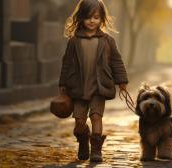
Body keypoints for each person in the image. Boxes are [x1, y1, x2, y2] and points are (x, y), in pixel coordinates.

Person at [58, 0, 129, 162]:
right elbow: (66, 63)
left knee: (97, 117)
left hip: (99, 87)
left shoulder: (107, 41)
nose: (92, 21)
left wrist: (122, 81)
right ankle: (83, 141)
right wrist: (62, 84)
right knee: (79, 121)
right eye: (88, 17)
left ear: (101, 19)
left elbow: (116, 61)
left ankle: (96, 150)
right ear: (81, 18)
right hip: (78, 88)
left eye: (96, 17)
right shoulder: (74, 41)